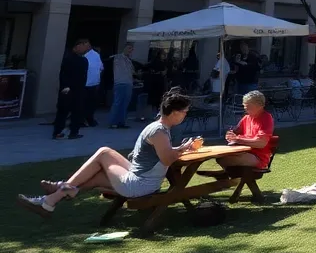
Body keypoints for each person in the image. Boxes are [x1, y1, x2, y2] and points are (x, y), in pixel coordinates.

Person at [19, 92, 202, 216]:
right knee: (103, 158)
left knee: (103, 154)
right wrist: (181, 150)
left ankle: (55, 195)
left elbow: (165, 156)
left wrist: (183, 148)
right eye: (185, 112)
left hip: (142, 180)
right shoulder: (160, 131)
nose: (185, 115)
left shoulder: (158, 128)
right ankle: (55, 197)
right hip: (140, 184)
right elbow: (167, 158)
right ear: (175, 113)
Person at [218, 90, 275, 171]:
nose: (245, 109)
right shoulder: (246, 118)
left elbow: (261, 143)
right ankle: (229, 178)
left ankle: (228, 178)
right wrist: (230, 135)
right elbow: (234, 132)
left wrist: (238, 139)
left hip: (258, 157)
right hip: (243, 152)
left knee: (224, 159)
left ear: (260, 105)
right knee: (221, 157)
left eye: (248, 106)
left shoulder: (266, 118)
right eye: (245, 106)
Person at [53, 39, 89, 140]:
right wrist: (65, 86)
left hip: (79, 90)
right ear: (77, 46)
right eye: (84, 46)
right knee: (63, 111)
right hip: (68, 90)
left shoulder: (84, 60)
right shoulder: (68, 58)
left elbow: (84, 75)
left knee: (77, 111)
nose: (86, 49)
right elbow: (63, 74)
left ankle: (74, 132)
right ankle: (58, 132)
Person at [108, 43, 139, 129]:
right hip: (120, 83)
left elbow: (132, 72)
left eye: (131, 49)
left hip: (128, 83)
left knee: (125, 103)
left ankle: (121, 122)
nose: (130, 50)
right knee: (118, 103)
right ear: (124, 48)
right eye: (129, 48)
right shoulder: (118, 57)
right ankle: (113, 122)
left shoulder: (129, 60)